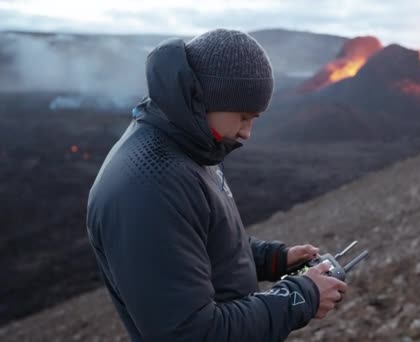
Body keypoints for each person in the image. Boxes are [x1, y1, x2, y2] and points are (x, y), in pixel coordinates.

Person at [86, 29, 347, 342]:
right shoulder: (147, 189)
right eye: (243, 116)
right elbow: (191, 333)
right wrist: (300, 297)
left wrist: (270, 260)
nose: (247, 133)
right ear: (205, 98)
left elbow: (195, 241)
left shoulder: (187, 145)